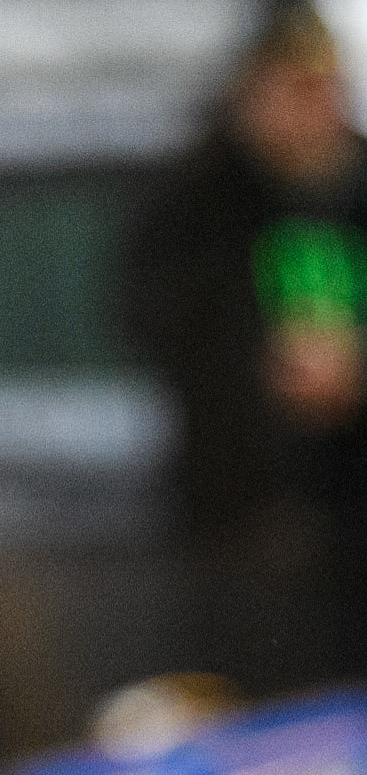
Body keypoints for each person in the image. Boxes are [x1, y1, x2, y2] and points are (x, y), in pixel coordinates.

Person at [125, 0, 367, 693]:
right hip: (239, 523)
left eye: (322, 89)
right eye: (290, 88)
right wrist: (264, 370)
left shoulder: (350, 191)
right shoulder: (199, 200)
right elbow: (164, 325)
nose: (310, 109)